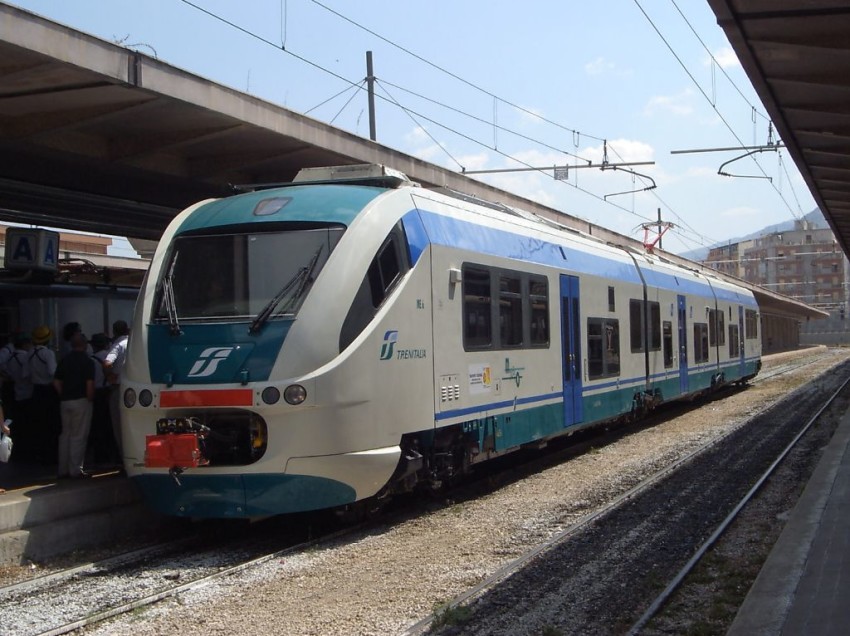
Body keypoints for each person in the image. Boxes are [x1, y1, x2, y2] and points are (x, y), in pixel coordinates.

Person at [53, 332, 95, 479]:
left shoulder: (64, 360)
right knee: (78, 436)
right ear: (85, 345)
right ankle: (75, 470)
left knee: (65, 435)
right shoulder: (87, 361)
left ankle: (62, 469)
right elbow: (89, 384)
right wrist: (90, 398)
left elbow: (57, 382)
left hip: (65, 401)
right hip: (81, 400)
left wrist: (63, 394)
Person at [29, 325, 59, 464]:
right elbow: (53, 372)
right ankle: (50, 455)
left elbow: (24, 374)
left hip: (35, 391)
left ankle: (39, 454)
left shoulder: (29, 353)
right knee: (50, 424)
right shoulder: (48, 353)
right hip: (48, 391)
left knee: (38, 424)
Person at [88, 333, 117, 465]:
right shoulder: (112, 357)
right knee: (112, 425)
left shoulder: (91, 360)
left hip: (98, 394)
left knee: (99, 426)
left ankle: (101, 457)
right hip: (110, 391)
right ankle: (115, 455)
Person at [5, 332, 33, 462]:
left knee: (18, 425)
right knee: (28, 425)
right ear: (25, 344)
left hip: (16, 393)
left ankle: (17, 451)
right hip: (28, 393)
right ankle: (28, 452)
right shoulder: (26, 358)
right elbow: (27, 375)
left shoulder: (9, 358)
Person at [103, 320, 129, 459]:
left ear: (115, 332)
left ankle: (123, 457)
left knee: (118, 426)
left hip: (119, 388)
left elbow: (107, 363)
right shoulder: (135, 343)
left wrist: (110, 376)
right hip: (135, 388)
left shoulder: (118, 345)